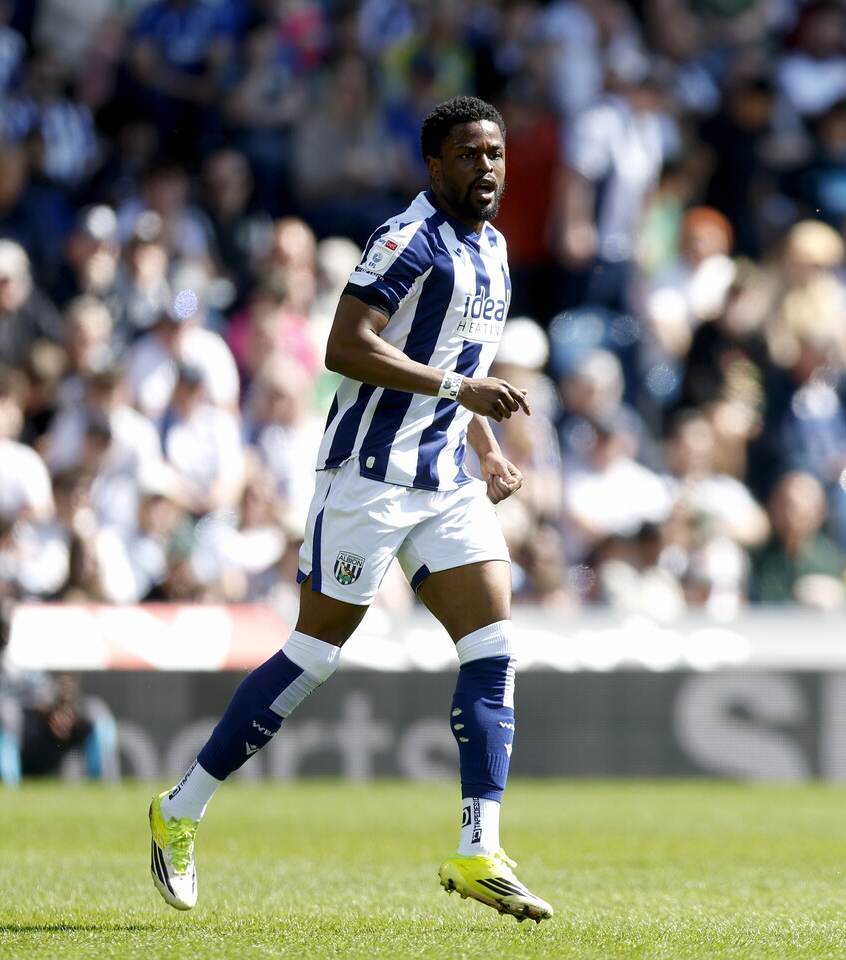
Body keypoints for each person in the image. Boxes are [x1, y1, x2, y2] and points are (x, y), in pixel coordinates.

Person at [148, 95, 553, 923]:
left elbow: (457, 360)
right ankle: (179, 808)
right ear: (434, 165)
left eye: (497, 153)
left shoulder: (496, 249)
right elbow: (346, 345)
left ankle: (480, 847)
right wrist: (456, 388)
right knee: (314, 656)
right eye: (471, 154)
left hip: (443, 480)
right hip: (366, 478)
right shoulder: (408, 239)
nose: (488, 168)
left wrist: (483, 447)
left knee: (493, 644)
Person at [0, 593, 119, 785]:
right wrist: (25, 708)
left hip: (31, 751)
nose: (4, 633)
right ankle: (7, 791)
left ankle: (106, 788)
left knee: (93, 710)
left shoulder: (22, 670)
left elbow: (45, 697)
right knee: (2, 715)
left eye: (7, 626)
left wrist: (58, 706)